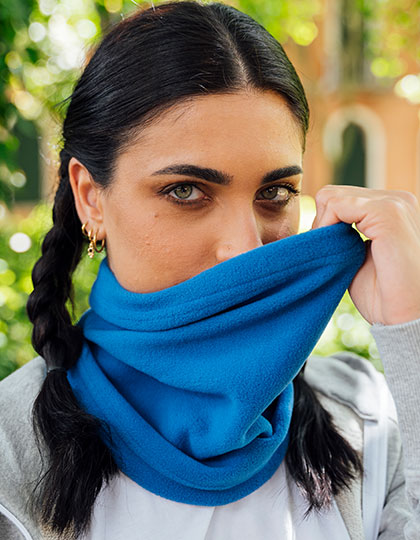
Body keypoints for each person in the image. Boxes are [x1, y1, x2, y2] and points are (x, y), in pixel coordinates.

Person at [1, 1, 420, 539]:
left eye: (275, 193)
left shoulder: (368, 418)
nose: (245, 248)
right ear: (91, 198)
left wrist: (410, 328)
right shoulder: (11, 450)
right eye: (185, 191)